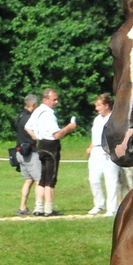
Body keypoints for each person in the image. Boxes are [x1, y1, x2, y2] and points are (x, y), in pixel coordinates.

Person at [26, 87, 78, 216]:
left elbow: (27, 127)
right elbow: (57, 134)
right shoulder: (49, 114)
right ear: (45, 99)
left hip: (41, 144)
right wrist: (70, 127)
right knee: (50, 179)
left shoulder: (37, 111)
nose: (56, 102)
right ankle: (48, 209)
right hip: (51, 146)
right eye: (54, 100)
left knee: (42, 178)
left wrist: (36, 136)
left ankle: (38, 207)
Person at [85, 94, 123, 215]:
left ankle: (112, 208)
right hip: (96, 152)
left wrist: (111, 148)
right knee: (93, 180)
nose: (96, 108)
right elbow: (96, 135)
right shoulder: (97, 119)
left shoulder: (114, 118)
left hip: (108, 153)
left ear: (106, 105)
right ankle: (99, 204)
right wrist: (91, 146)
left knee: (111, 182)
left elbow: (119, 135)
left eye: (98, 105)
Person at [12, 92, 40, 216]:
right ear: (33, 105)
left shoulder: (20, 116)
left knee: (28, 180)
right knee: (39, 180)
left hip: (19, 152)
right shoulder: (30, 118)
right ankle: (39, 207)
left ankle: (22, 207)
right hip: (30, 153)